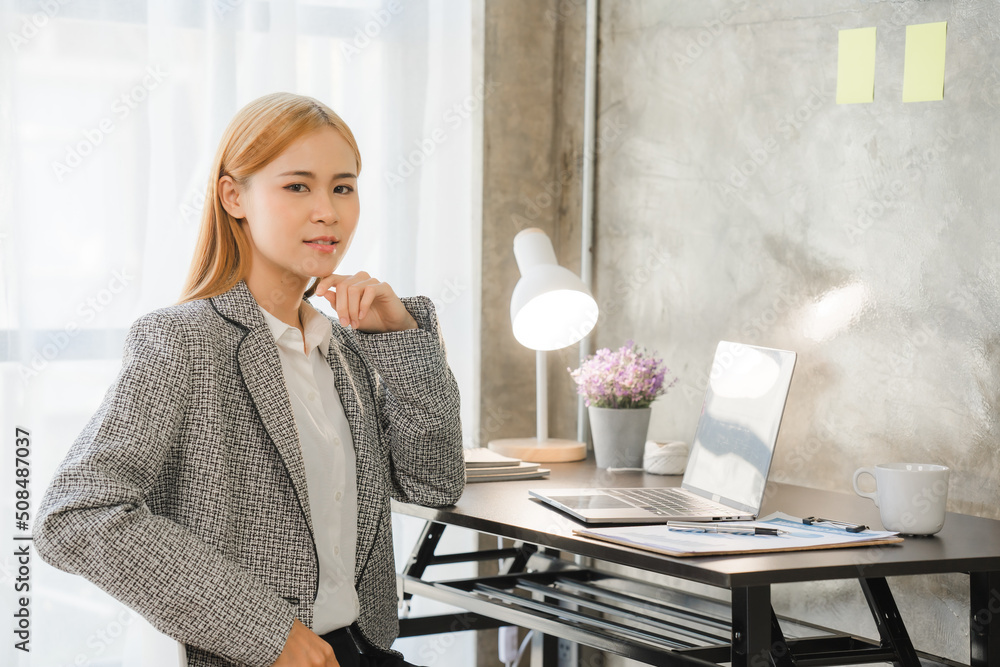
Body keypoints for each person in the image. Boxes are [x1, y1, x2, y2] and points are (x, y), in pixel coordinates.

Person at [34, 92, 465, 667]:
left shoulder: (345, 347)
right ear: (234, 196)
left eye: (343, 186)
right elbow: (76, 515)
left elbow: (433, 484)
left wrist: (400, 341)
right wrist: (268, 633)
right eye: (297, 186)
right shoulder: (183, 341)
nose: (328, 212)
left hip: (364, 646)